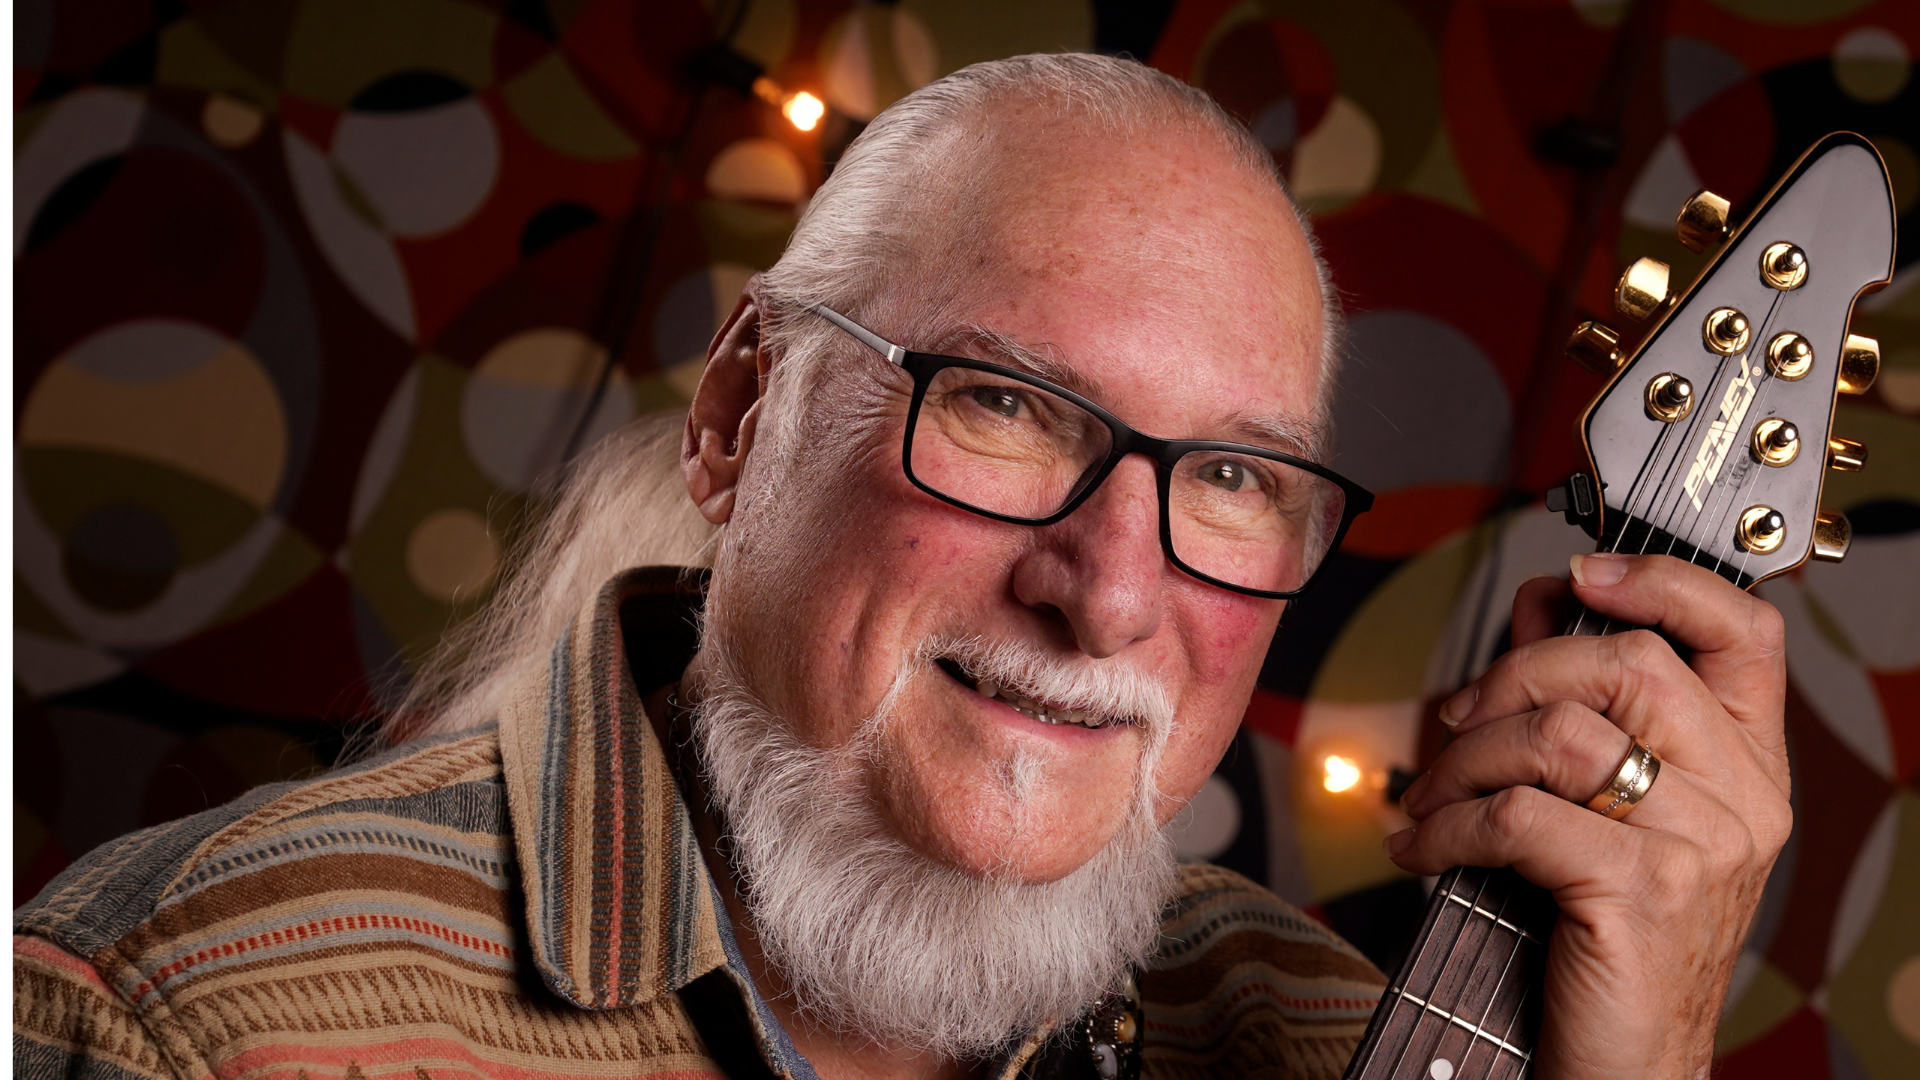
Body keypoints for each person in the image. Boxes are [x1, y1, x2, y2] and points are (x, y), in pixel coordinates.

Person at [14, 54, 1790, 1080]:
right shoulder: (181, 1022)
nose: (1109, 593)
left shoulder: (1334, 1042)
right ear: (740, 414)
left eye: (1236, 479)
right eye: (1008, 407)